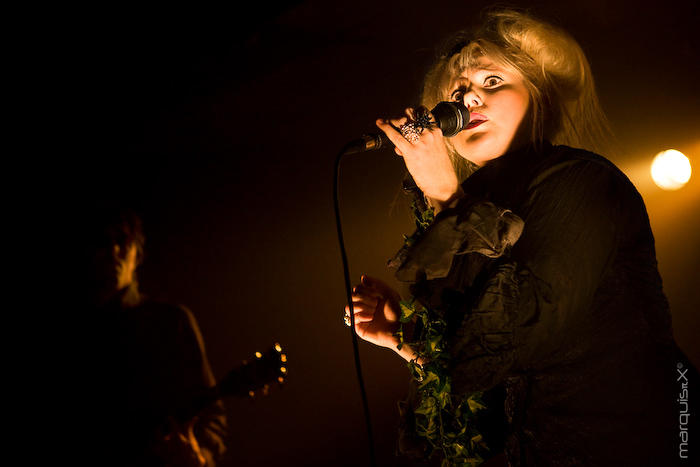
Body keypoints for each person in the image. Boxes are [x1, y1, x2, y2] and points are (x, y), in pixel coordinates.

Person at [345, 8, 698, 466]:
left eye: (492, 82)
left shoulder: (583, 183)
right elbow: (484, 371)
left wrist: (448, 199)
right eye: (457, 91)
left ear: (541, 97)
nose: (467, 99)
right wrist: (403, 338)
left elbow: (517, 329)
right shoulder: (477, 204)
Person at [83, 207, 227, 466]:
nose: (114, 252)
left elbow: (212, 415)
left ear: (138, 254)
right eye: (104, 242)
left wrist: (200, 457)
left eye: (123, 242)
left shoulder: (171, 322)